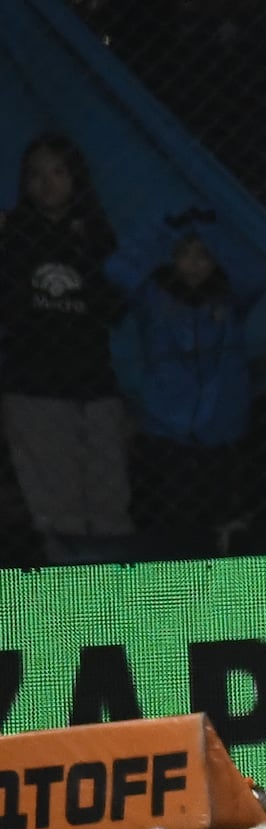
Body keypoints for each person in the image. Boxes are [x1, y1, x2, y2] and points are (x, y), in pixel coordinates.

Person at [4, 133, 133, 562]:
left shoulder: (97, 234)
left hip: (94, 384)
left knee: (109, 506)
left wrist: (83, 249)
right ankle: (69, 614)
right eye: (36, 174)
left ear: (76, 177)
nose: (47, 182)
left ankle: (111, 609)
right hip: (33, 386)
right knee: (57, 513)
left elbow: (115, 306)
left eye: (58, 171)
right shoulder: (13, 233)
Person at [123, 208, 255, 560]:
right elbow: (119, 272)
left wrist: (214, 230)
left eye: (203, 255)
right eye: (183, 254)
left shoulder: (230, 297)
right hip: (166, 432)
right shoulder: (152, 296)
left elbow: (255, 273)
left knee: (223, 521)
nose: (192, 265)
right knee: (172, 524)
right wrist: (164, 230)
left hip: (222, 431)